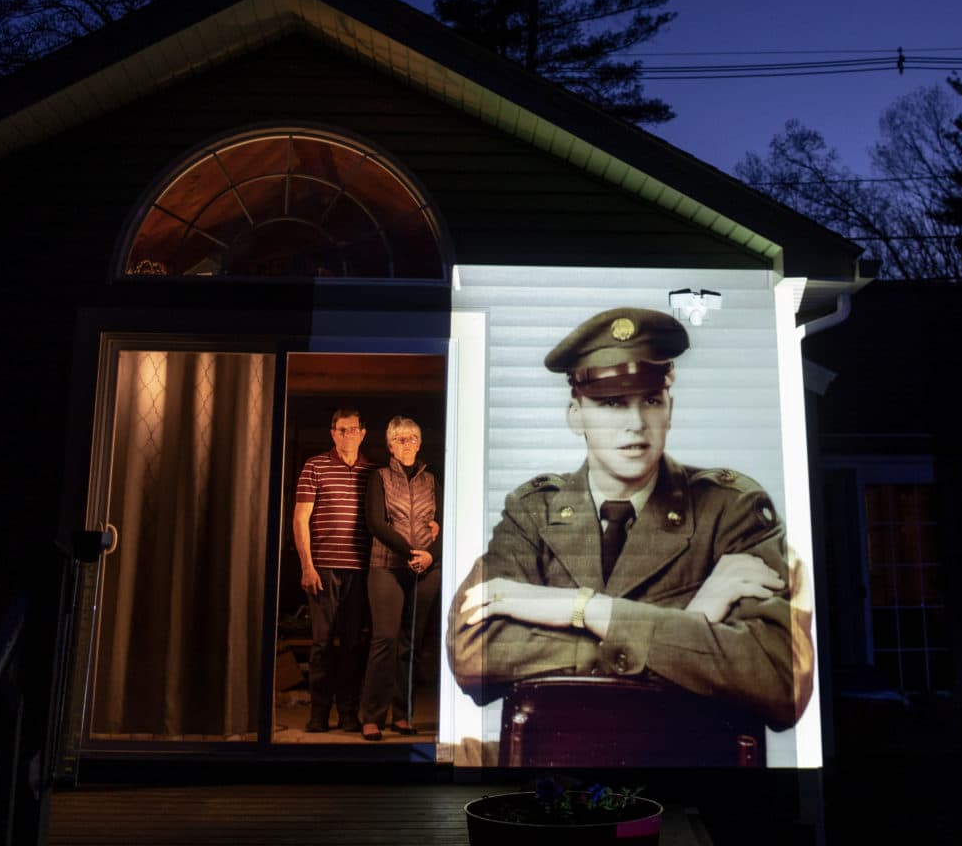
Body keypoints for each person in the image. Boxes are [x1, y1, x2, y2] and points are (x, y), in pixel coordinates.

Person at [449, 307, 811, 738]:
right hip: (559, 770)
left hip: (689, 770)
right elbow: (473, 652)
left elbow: (778, 678)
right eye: (612, 403)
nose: (636, 423)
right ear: (575, 415)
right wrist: (689, 624)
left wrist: (580, 609)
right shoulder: (533, 512)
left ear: (669, 411)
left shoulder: (731, 510)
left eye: (651, 401)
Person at [356, 415, 441, 741]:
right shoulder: (379, 478)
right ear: (391, 445)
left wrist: (431, 554)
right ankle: (372, 716)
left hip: (426, 570)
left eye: (413, 438)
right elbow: (376, 523)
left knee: (411, 644)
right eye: (401, 439)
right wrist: (410, 551)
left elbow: (445, 521)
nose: (408, 444)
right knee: (385, 640)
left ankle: (402, 715)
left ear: (419, 443)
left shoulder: (430, 480)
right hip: (387, 567)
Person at [293, 407, 373, 733]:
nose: (347, 435)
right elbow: (300, 519)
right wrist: (307, 566)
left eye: (352, 429)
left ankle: (349, 713)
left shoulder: (374, 471)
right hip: (323, 568)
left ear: (363, 433)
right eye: (341, 430)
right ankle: (318, 714)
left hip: (361, 570)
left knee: (353, 645)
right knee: (322, 644)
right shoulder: (315, 466)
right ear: (332, 433)